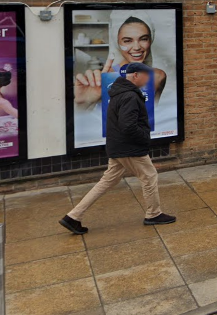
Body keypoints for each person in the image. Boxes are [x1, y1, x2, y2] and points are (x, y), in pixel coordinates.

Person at [60, 63, 176, 234]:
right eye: (146, 75)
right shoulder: (130, 95)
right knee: (149, 176)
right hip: (129, 147)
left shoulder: (119, 92)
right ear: (136, 75)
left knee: (107, 181)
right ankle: (153, 214)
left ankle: (73, 216)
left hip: (118, 146)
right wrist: (144, 137)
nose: (148, 79)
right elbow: (128, 125)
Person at [74, 14, 168, 110]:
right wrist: (84, 103)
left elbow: (154, 115)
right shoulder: (104, 78)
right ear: (117, 43)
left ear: (150, 40)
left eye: (143, 39)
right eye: (127, 41)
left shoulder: (157, 76)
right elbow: (86, 119)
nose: (137, 47)